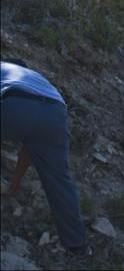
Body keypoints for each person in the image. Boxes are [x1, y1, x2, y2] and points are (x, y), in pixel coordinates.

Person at [1, 58, 90, 255]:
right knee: (59, 180)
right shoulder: (35, 78)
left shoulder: (3, 68)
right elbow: (30, 147)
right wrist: (15, 183)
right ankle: (77, 245)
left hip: (14, 102)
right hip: (56, 111)